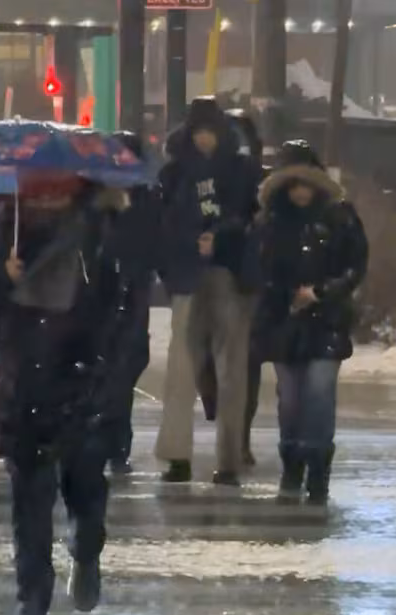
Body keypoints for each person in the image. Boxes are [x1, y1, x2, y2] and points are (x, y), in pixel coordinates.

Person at [0, 174, 122, 615]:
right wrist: (1, 277)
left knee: (86, 488)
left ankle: (86, 552)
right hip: (21, 381)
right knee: (29, 501)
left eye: (56, 190)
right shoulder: (2, 228)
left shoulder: (97, 233)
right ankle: (32, 598)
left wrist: (105, 368)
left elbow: (122, 308)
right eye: (40, 190)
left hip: (82, 379)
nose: (47, 198)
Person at [252, 140, 368, 505]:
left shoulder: (340, 217)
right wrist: (285, 296)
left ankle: (318, 470)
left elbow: (355, 264)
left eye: (306, 184)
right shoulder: (270, 223)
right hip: (284, 322)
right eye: (293, 185)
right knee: (290, 399)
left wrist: (321, 291)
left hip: (327, 320)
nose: (301, 192)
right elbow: (257, 269)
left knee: (319, 393)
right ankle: (292, 464)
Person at [155, 97, 262, 486]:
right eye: (199, 131)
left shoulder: (241, 171)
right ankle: (177, 455)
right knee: (182, 369)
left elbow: (252, 217)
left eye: (210, 131)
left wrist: (220, 236)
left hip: (228, 274)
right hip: (187, 274)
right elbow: (163, 223)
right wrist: (187, 245)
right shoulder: (174, 174)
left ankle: (229, 459)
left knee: (231, 370)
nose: (204, 139)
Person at [197, 111, 267, 468]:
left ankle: (239, 437)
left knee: (243, 362)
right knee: (208, 357)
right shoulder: (197, 173)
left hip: (243, 274)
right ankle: (222, 414)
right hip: (206, 270)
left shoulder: (253, 176)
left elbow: (260, 220)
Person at [96, 131, 163, 476]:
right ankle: (106, 440)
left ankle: (117, 442)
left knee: (122, 369)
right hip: (100, 294)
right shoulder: (95, 201)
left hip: (132, 292)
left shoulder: (148, 200)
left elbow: (153, 242)